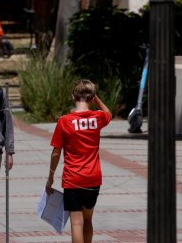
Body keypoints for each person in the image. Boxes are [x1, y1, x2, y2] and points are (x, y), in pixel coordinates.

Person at [46, 79, 111, 243]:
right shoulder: (97, 118)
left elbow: (56, 152)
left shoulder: (65, 121)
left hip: (72, 178)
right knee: (88, 219)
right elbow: (108, 113)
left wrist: (51, 177)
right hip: (93, 177)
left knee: (76, 222)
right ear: (92, 98)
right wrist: (96, 98)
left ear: (72, 97)